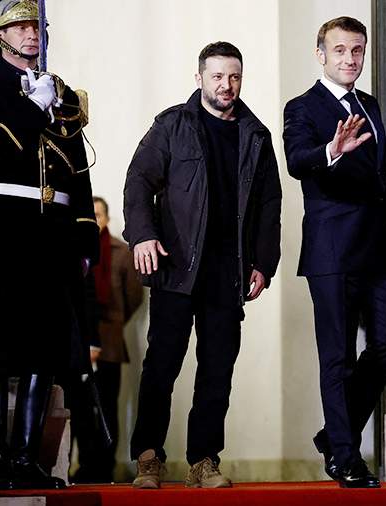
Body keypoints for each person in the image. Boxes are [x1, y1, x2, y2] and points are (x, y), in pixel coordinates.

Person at [0, 0, 97, 490]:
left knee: (44, 347)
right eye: (20, 26)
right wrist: (33, 107)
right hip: (4, 227)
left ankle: (27, 459)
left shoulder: (64, 94)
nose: (31, 34)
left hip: (54, 232)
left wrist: (85, 234)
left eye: (36, 25)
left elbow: (79, 173)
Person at [123, 41, 282, 489]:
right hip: (175, 268)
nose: (226, 85)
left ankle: (204, 461)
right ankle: (149, 457)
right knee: (162, 366)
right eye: (217, 76)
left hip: (228, 274)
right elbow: (138, 181)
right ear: (199, 78)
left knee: (217, 371)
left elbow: (270, 205)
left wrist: (263, 263)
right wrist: (143, 234)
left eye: (234, 77)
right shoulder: (172, 125)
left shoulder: (256, 135)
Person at [283, 16, 386, 489]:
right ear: (321, 54)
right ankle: (345, 454)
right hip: (332, 251)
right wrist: (331, 151)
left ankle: (333, 436)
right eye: (339, 50)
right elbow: (297, 160)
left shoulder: (369, 104)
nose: (350, 59)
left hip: (379, 250)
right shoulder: (302, 107)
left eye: (357, 50)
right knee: (336, 356)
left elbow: (382, 181)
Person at [71, 196, 144, 483]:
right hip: (78, 344)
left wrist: (113, 324)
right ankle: (82, 465)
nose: (95, 219)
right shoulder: (76, 250)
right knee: (79, 408)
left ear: (107, 218)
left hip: (110, 344)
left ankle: (105, 466)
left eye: (99, 214)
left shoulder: (122, 252)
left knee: (107, 408)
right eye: (91, 215)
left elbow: (134, 297)